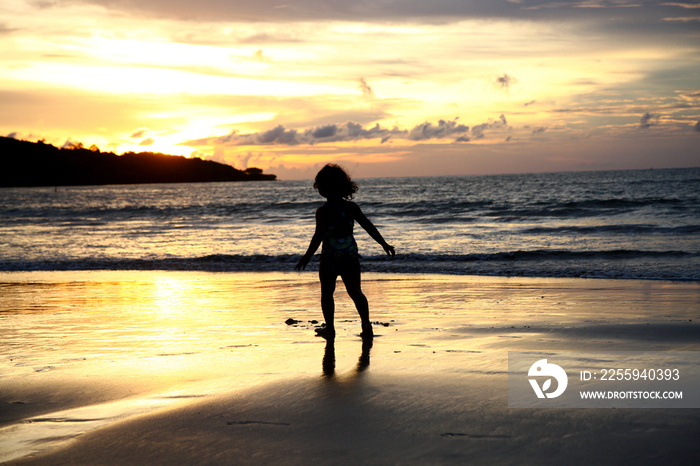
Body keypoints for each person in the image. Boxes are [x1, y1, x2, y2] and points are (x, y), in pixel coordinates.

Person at [295, 164, 395, 338]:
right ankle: (366, 325)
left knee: (327, 292)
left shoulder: (323, 211)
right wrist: (384, 244)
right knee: (356, 291)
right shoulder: (351, 208)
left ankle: (330, 329)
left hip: (330, 257)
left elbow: (318, 236)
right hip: (350, 255)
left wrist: (306, 257)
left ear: (323, 188)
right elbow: (368, 226)